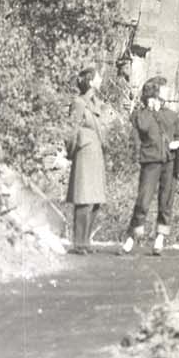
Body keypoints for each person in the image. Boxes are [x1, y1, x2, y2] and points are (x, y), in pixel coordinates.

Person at [121, 78, 179, 255]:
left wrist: (177, 142)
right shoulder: (141, 115)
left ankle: (160, 238)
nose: (167, 92)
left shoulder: (171, 115)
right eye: (163, 90)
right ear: (154, 94)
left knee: (166, 201)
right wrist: (150, 111)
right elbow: (140, 131)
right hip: (150, 161)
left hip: (169, 161)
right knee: (143, 200)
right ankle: (132, 236)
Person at [64, 66, 106, 253]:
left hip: (95, 153)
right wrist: (72, 151)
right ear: (90, 81)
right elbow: (71, 130)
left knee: (95, 200)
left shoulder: (95, 102)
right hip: (84, 153)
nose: (101, 79)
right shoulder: (79, 102)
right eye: (98, 77)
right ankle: (79, 243)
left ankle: (86, 242)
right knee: (84, 199)